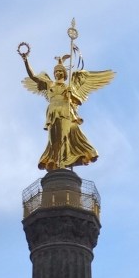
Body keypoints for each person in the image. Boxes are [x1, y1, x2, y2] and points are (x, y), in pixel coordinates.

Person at [18, 24, 114, 172]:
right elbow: (32, 76)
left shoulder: (69, 86)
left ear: (64, 73)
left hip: (65, 111)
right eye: (56, 72)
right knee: (53, 141)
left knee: (64, 138)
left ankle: (63, 163)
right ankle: (55, 162)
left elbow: (79, 100)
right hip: (52, 111)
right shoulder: (48, 83)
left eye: (60, 71)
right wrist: (25, 60)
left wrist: (71, 94)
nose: (57, 73)